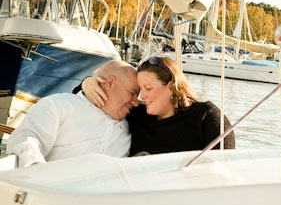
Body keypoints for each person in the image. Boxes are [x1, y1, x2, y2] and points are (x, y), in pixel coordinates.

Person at [80, 55, 235, 155]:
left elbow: (226, 167)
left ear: (170, 86)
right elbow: (101, 97)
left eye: (148, 88)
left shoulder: (205, 116)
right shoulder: (137, 114)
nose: (142, 96)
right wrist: (88, 82)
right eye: (140, 90)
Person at [7, 60, 139, 168]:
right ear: (110, 83)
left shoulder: (135, 123)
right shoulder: (59, 105)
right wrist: (37, 168)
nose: (136, 102)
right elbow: (26, 138)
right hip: (54, 193)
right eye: (132, 93)